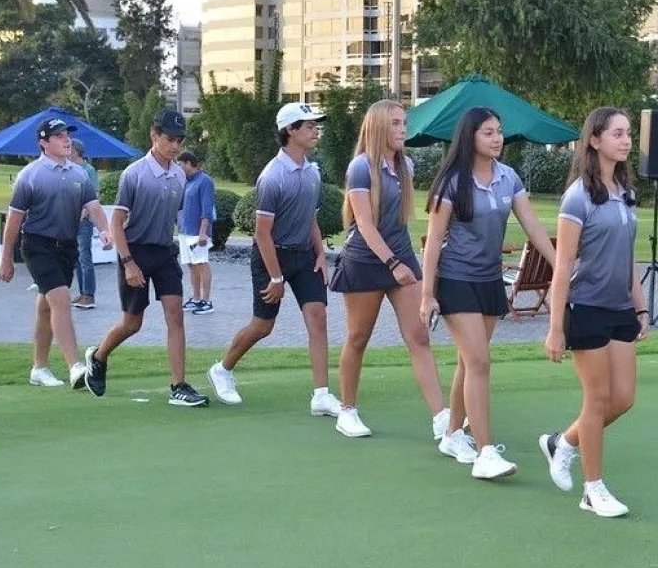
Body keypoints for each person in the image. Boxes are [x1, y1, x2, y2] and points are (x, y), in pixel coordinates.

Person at [420, 107, 554, 479]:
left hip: (488, 280)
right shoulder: (452, 181)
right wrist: (426, 294)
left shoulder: (508, 177)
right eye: (488, 133)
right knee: (479, 362)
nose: (497, 138)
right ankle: (485, 452)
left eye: (499, 131)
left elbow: (533, 227)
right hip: (456, 280)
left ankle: (452, 435)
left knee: (469, 362)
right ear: (470, 138)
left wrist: (560, 267)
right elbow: (433, 242)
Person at [539, 107, 649, 517]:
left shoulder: (626, 192)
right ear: (595, 140)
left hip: (621, 308)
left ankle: (563, 443)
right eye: (618, 133)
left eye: (628, 134)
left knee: (622, 399)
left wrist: (640, 306)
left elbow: (628, 257)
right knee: (598, 399)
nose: (626, 140)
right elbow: (563, 267)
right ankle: (593, 489)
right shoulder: (577, 196)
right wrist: (555, 329)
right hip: (585, 308)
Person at [206, 103, 342, 415]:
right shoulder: (272, 177)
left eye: (315, 125)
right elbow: (262, 234)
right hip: (272, 256)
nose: (315, 130)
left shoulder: (312, 172)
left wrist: (321, 253)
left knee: (318, 318)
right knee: (263, 325)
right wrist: (276, 277)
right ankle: (222, 370)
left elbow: (311, 219)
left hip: (305, 255)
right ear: (290, 131)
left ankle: (321, 394)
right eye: (308, 125)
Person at [329, 99, 449, 439]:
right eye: (396, 123)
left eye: (403, 123)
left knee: (419, 336)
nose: (402, 130)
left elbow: (400, 221)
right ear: (379, 127)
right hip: (366, 260)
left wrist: (404, 260)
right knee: (358, 338)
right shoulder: (360, 168)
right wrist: (393, 263)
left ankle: (442, 418)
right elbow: (364, 225)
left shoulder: (405, 165)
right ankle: (347, 411)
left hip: (400, 257)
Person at [83, 109, 210, 407]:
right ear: (154, 135)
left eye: (179, 140)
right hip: (135, 252)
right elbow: (116, 223)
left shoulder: (180, 174)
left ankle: (178, 385)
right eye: (169, 139)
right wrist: (128, 262)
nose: (175, 146)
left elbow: (173, 217)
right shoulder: (134, 174)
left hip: (164, 252)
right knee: (132, 323)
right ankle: (98, 357)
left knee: (176, 315)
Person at [0, 118, 111, 389]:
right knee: (60, 299)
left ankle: (39, 367)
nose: (66, 139)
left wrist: (105, 230)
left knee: (46, 305)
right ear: (43, 143)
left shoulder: (79, 173)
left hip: (66, 247)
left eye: (66, 135)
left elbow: (93, 206)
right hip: (38, 245)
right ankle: (76, 367)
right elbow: (14, 219)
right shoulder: (30, 175)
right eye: (58, 136)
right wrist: (5, 260)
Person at [175, 151, 216, 314]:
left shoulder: (205, 181)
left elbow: (207, 209)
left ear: (189, 163)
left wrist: (203, 232)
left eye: (180, 164)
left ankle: (207, 301)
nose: (179, 168)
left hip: (197, 231)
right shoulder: (186, 181)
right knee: (191, 265)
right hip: (185, 230)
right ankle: (196, 298)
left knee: (201, 263)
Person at [71, 138, 100, 310]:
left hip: (84, 221)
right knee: (77, 258)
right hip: (71, 220)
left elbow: (94, 196)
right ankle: (82, 292)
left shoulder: (89, 170)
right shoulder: (71, 169)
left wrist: (81, 216)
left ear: (75, 151)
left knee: (85, 256)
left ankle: (89, 295)